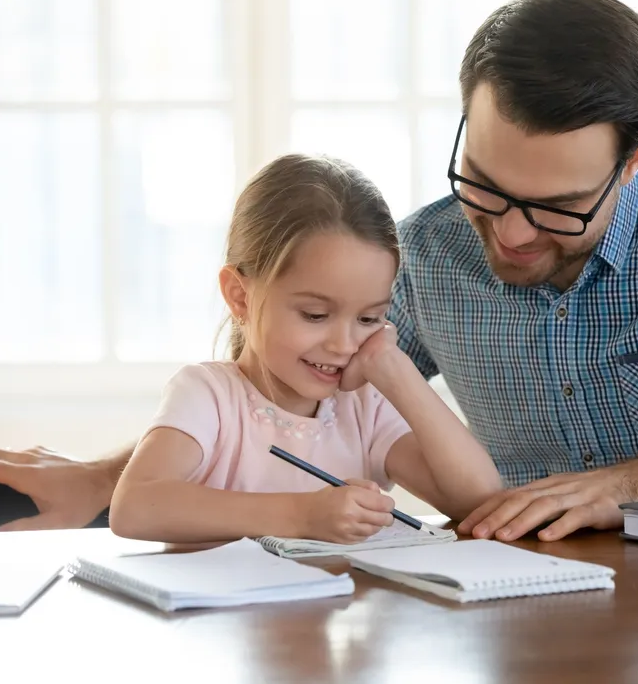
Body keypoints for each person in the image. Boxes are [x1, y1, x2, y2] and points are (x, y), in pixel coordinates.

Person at [0, 0, 638, 541]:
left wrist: (624, 483)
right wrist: (112, 476)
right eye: (485, 186)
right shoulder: (427, 252)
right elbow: (299, 375)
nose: (509, 237)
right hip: (517, 611)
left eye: (555, 208)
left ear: (633, 162)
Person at [111, 153, 501, 543]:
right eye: (315, 315)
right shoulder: (208, 396)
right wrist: (301, 515)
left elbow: (481, 503)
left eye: (368, 319)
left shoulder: (365, 407)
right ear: (240, 296)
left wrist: (395, 368)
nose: (344, 344)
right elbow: (134, 507)